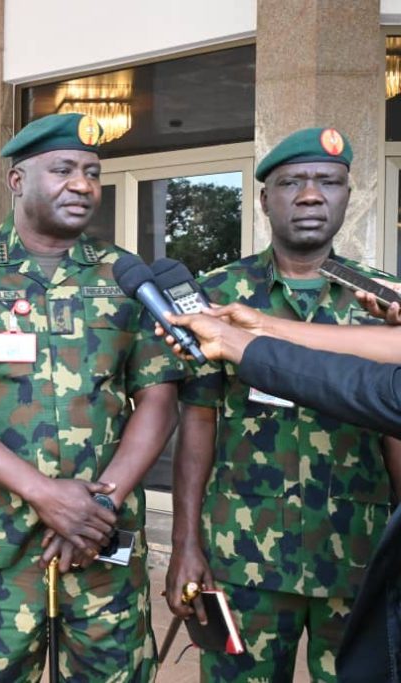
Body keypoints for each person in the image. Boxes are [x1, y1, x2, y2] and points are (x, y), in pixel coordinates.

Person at [0, 112, 186, 681]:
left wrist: (100, 505)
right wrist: (43, 494)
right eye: (63, 170)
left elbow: (158, 397)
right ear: (18, 180)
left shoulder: (123, 275)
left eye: (91, 173)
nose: (81, 185)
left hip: (103, 542)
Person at [165, 127, 401, 682]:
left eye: (328, 182)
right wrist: (185, 543)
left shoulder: (383, 300)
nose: (311, 195)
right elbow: (199, 420)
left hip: (356, 552)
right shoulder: (217, 297)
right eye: (292, 182)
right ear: (264, 199)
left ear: (348, 195)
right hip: (244, 553)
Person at [158, 307, 401, 683]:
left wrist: (240, 341)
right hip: (248, 560)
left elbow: (374, 390)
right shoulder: (220, 296)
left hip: (354, 558)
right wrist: (261, 328)